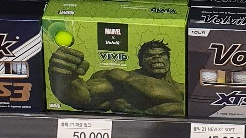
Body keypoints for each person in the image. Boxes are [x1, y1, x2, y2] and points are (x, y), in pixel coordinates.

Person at [48, 38, 185, 116]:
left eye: (161, 54)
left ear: (168, 59)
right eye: (149, 55)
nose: (156, 58)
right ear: (140, 62)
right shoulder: (120, 80)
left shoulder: (183, 89)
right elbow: (85, 96)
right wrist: (62, 79)